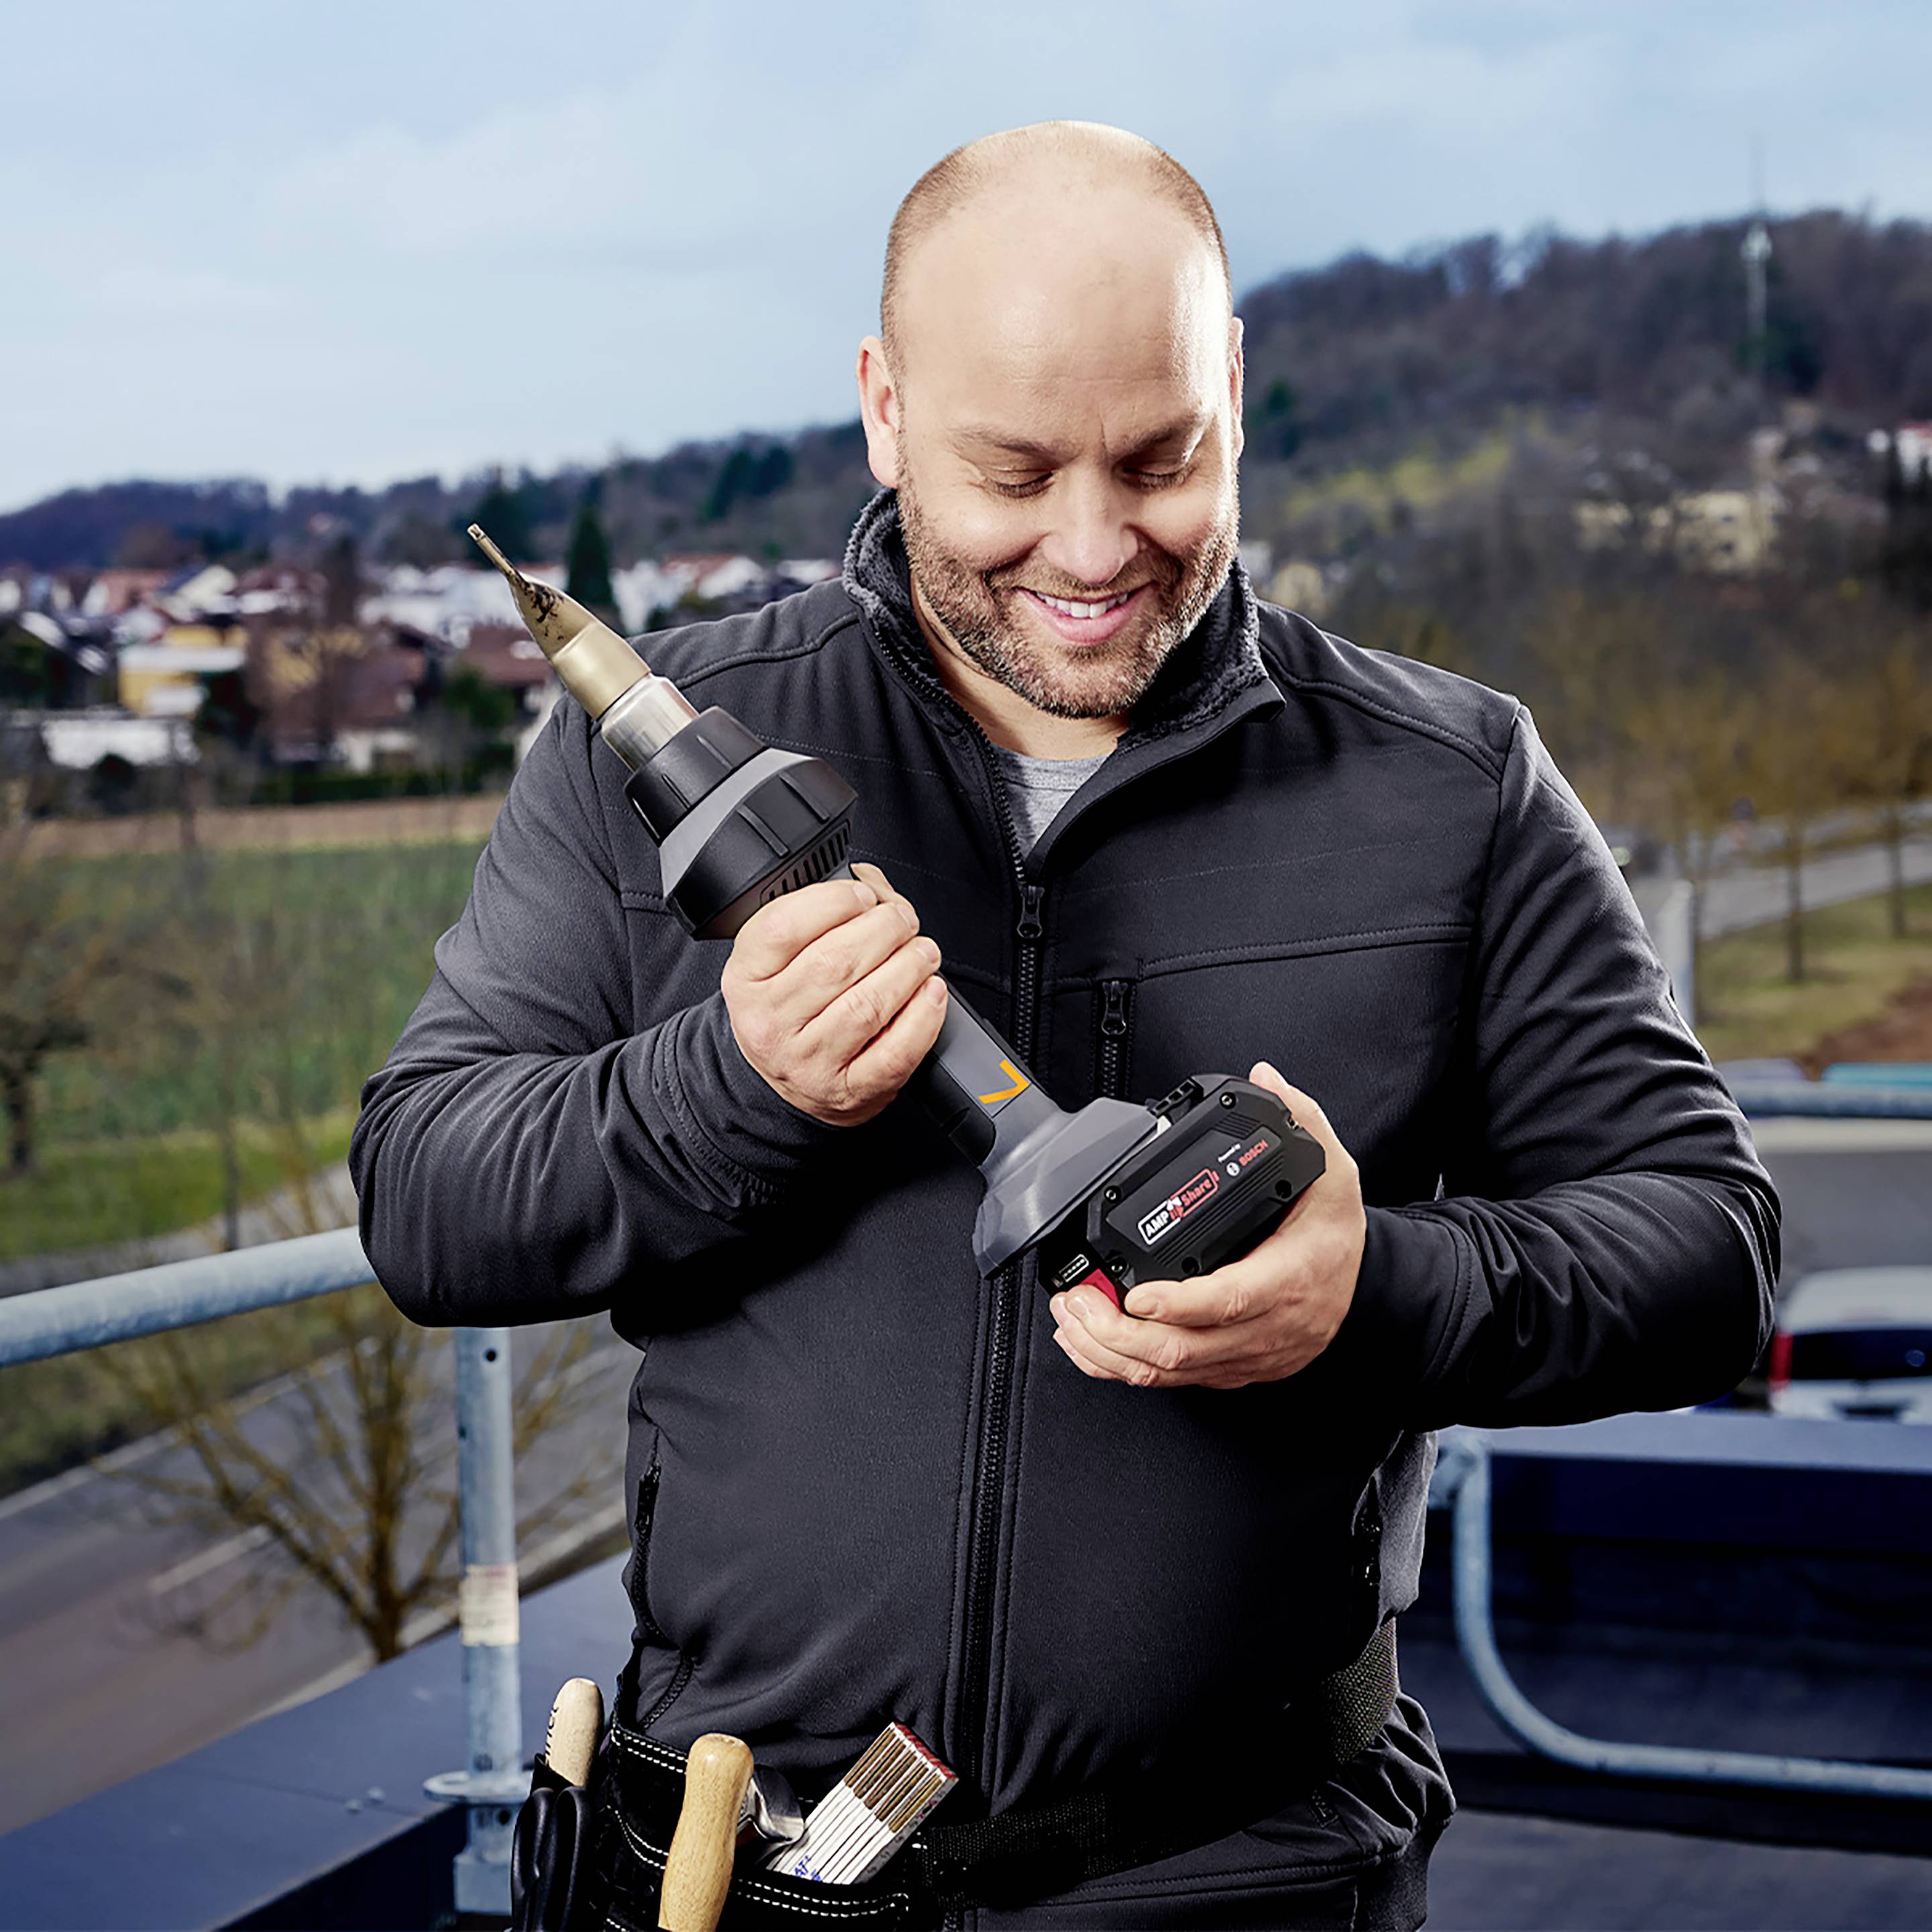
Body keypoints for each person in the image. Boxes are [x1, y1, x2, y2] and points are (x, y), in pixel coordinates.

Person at [351, 122, 1778, 1928]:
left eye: (1160, 459)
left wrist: (1373, 1299)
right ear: (883, 409)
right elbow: (425, 1201)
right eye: (1013, 473)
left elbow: (1709, 1250)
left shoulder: (1454, 787)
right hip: (730, 1870)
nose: (1096, 549)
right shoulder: (658, 752)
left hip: (1237, 1883)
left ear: (1235, 394)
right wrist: (737, 1083)